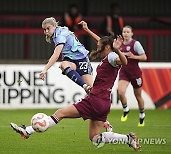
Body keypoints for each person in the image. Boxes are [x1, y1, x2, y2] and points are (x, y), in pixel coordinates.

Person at [10, 21, 140, 151]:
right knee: (95, 138)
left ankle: (28, 130)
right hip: (105, 103)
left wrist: (117, 49)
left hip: (95, 100)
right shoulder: (108, 56)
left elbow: (124, 61)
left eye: (100, 46)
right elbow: (102, 42)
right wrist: (88, 30)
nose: (98, 47)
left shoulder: (112, 57)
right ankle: (127, 139)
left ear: (107, 48)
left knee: (60, 113)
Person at [39, 17, 92, 94]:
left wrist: (45, 70)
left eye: (48, 28)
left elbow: (56, 55)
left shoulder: (60, 35)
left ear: (54, 25)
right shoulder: (57, 32)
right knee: (63, 65)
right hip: (71, 59)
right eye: (44, 30)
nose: (46, 31)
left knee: (93, 91)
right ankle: (84, 86)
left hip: (81, 59)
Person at [118, 25, 147, 127]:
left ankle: (142, 114)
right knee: (120, 91)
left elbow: (144, 57)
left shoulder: (135, 44)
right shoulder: (119, 44)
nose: (125, 34)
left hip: (135, 73)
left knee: (138, 96)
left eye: (127, 32)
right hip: (124, 72)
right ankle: (126, 109)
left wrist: (134, 56)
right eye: (124, 32)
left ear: (131, 34)